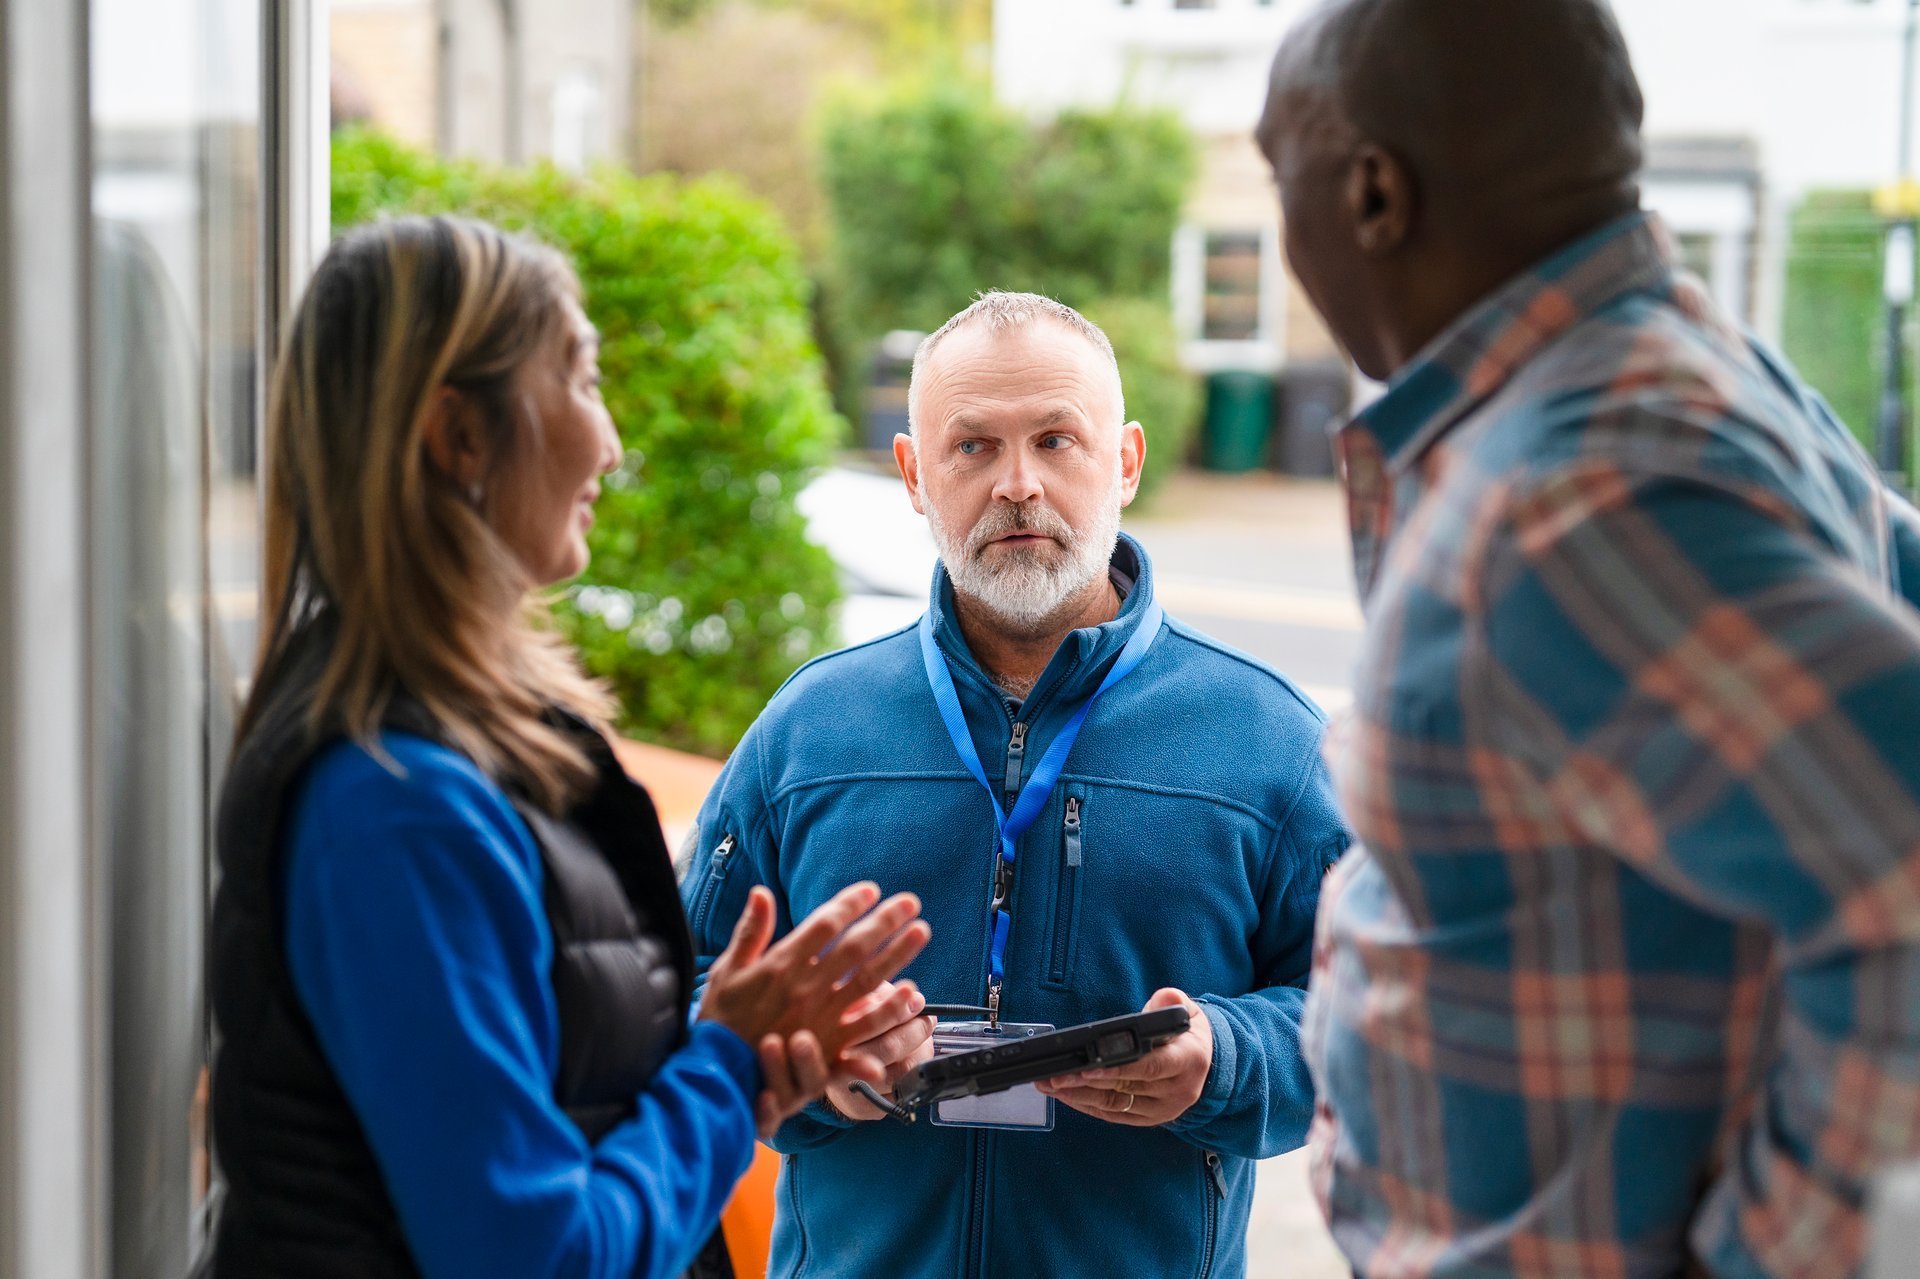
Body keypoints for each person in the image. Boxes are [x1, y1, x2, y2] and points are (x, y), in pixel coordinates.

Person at [1258, 2, 1920, 1275]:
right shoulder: (1697, 374)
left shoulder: (1571, 498)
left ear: (1375, 195)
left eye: (1285, 178)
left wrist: (1778, 1256)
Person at [207, 215, 932, 1279]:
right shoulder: (393, 802)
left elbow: (565, 1120)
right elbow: (535, 1252)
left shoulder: (457, 748)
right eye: (580, 381)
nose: (609, 440)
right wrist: (726, 1064)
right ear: (460, 436)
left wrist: (756, 1060)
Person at [678, 291, 1351, 1279]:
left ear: (1124, 460)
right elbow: (678, 992)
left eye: (1055, 440)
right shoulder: (807, 733)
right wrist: (811, 1063)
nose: (1018, 485)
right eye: (973, 448)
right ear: (914, 474)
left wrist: (1226, 1057)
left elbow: (1368, 1023)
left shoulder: (1270, 742)